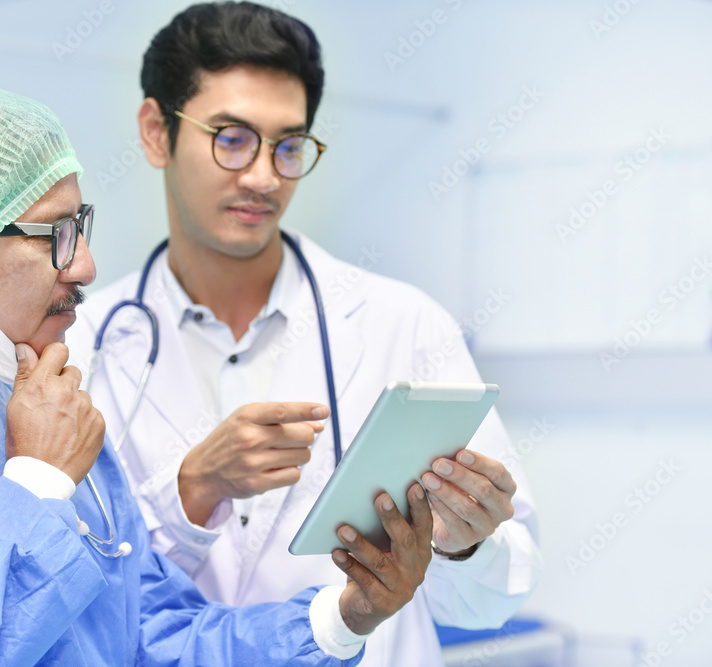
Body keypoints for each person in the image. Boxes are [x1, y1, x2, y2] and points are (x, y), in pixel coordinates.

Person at [0, 84, 435, 665]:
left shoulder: (51, 414)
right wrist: (34, 485)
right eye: (54, 233)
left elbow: (146, 637)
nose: (84, 264)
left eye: (82, 226)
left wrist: (342, 617)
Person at [65, 3, 543, 665]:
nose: (263, 176)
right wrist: (190, 491)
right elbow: (74, 593)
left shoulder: (402, 325)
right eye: (230, 137)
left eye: (288, 146)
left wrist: (466, 543)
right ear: (156, 132)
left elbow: (495, 597)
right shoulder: (81, 349)